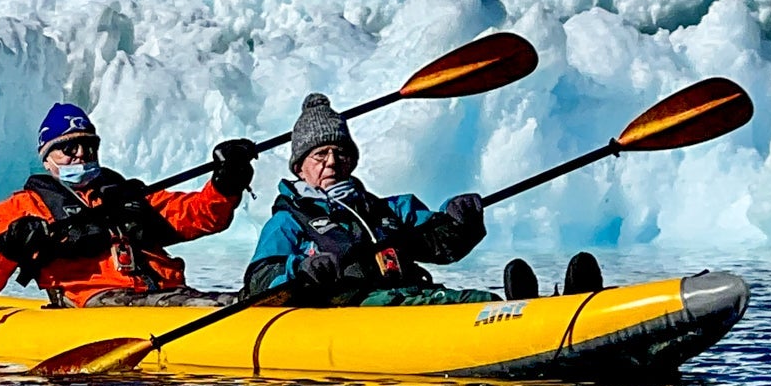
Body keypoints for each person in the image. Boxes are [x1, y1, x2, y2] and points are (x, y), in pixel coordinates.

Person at [245, 94, 606, 306]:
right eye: (320, 155)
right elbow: (260, 279)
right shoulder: (288, 221)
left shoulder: (388, 209)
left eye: (340, 153)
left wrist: (460, 221)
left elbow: (442, 246)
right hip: (356, 309)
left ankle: (560, 310)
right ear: (300, 167)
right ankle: (538, 323)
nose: (332, 162)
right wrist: (300, 271)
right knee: (481, 306)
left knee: (478, 301)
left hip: (412, 298)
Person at [0, 103, 257, 308]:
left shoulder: (128, 195)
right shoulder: (21, 209)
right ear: (47, 159)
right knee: (201, 306)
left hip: (163, 294)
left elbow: (200, 215)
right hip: (95, 301)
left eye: (89, 146)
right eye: (67, 148)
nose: (81, 154)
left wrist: (225, 184)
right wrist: (9, 246)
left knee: (246, 299)